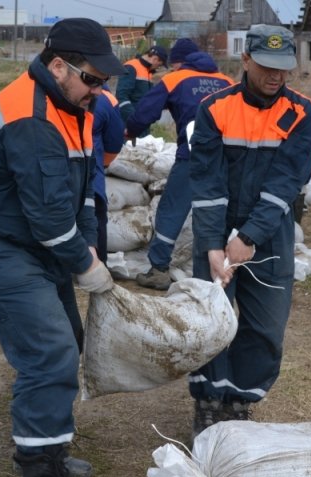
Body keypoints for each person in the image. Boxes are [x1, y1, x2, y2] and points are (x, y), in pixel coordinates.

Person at [0, 18, 124, 477]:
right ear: (58, 66)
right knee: (49, 349)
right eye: (92, 78)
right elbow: (47, 217)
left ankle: (51, 450)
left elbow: (82, 191)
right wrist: (86, 267)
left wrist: (88, 244)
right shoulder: (30, 116)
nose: (100, 89)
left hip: (30, 242)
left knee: (68, 335)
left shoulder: (77, 107)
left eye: (104, 81)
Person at [188, 24, 311, 437]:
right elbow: (207, 182)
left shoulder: (302, 113)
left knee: (265, 326)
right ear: (245, 60)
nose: (276, 77)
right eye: (266, 67)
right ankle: (208, 402)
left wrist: (248, 238)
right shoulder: (214, 109)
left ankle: (239, 403)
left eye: (283, 68)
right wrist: (213, 244)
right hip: (217, 230)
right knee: (212, 321)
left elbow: (286, 183)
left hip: (270, 235)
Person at [128, 38, 234, 290]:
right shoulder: (228, 82)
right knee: (222, 210)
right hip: (229, 158)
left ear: (178, 62)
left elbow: (145, 111)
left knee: (172, 209)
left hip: (193, 156)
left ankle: (159, 269)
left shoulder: (175, 79)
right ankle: (225, 266)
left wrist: (129, 129)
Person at [90, 87, 125, 263]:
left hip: (55, 171)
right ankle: (98, 264)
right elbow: (114, 142)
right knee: (95, 218)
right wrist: (102, 163)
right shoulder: (107, 100)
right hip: (91, 172)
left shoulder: (49, 93)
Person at [116, 45, 168, 131]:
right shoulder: (131, 67)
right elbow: (122, 97)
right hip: (130, 123)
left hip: (141, 122)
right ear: (154, 59)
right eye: (159, 65)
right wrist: (134, 118)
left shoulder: (148, 71)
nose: (158, 67)